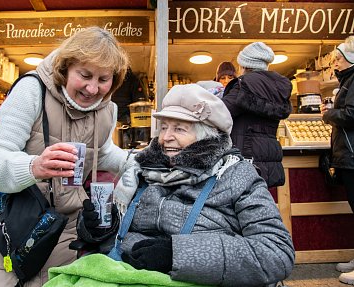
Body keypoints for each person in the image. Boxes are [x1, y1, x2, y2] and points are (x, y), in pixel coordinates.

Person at [68, 84, 295, 287]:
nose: (166, 137)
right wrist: (101, 230)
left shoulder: (237, 176)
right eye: (164, 127)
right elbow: (117, 238)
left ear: (207, 137)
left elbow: (275, 253)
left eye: (179, 129)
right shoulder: (141, 171)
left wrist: (177, 255)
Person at [0, 26, 131, 286]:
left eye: (104, 79)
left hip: (66, 233)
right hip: (13, 228)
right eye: (85, 75)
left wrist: (135, 162)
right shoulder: (31, 90)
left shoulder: (107, 110)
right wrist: (34, 166)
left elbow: (101, 153)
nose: (93, 88)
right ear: (66, 67)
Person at [222, 42, 292, 188]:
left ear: (244, 66)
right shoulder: (277, 87)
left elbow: (219, 114)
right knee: (260, 204)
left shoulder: (245, 85)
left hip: (246, 158)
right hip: (269, 158)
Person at [320, 35, 354, 286]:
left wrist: (329, 114)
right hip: (348, 154)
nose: (335, 63)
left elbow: (352, 114)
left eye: (339, 59)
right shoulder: (348, 81)